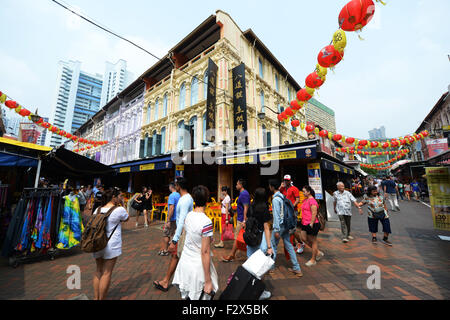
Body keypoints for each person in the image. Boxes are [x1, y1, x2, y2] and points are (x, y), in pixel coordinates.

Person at [172, 185, 218, 300]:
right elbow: (205, 252)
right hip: (198, 269)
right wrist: (208, 281)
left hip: (185, 263)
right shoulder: (206, 221)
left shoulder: (189, 216)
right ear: (207, 200)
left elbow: (191, 234)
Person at [153, 177, 193, 292]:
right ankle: (169, 281)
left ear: (178, 186)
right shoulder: (185, 198)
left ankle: (166, 281)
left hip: (183, 233)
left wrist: (175, 239)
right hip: (183, 232)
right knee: (177, 256)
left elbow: (182, 221)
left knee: (176, 256)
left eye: (176, 184)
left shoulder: (185, 199)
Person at [92, 187, 129, 300]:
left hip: (97, 243)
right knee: (107, 273)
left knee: (98, 270)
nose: (121, 198)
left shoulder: (97, 209)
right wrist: (122, 204)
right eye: (120, 196)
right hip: (111, 244)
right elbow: (127, 218)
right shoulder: (119, 210)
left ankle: (96, 298)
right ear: (114, 197)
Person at [266, 179, 302, 277]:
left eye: (270, 186)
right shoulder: (283, 196)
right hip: (286, 225)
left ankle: (271, 268)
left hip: (280, 226)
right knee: (289, 245)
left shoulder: (275, 199)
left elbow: (277, 216)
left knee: (273, 246)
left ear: (272, 187)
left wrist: (276, 229)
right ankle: (297, 268)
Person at [245, 187, 273, 300]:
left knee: (251, 265)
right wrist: (269, 246)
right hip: (260, 238)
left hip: (250, 238)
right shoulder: (264, 209)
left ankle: (249, 289)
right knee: (261, 267)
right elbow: (266, 228)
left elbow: (248, 221)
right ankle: (259, 292)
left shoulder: (251, 207)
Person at [221, 179, 250, 262]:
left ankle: (232, 255)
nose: (236, 185)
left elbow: (246, 208)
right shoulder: (243, 193)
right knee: (239, 237)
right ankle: (237, 254)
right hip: (240, 218)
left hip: (241, 220)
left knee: (237, 237)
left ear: (241, 185)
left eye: (237, 184)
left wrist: (245, 220)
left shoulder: (244, 194)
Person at [299, 185, 324, 267]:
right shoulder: (306, 200)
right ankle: (318, 252)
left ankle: (313, 259)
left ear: (309, 192)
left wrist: (311, 224)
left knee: (313, 241)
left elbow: (314, 213)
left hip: (312, 223)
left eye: (304, 191)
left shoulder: (312, 201)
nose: (303, 193)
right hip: (304, 223)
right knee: (303, 238)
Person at [279, 175, 305, 254]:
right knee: (288, 228)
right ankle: (294, 244)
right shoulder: (283, 188)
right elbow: (279, 194)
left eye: (287, 180)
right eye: (285, 180)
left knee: (293, 228)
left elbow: (297, 199)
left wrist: (292, 206)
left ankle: (301, 243)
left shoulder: (294, 188)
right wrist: (281, 186)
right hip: (285, 211)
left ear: (290, 181)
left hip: (293, 210)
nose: (286, 182)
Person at [158, 183, 180, 256]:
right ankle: (175, 250)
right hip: (177, 218)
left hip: (172, 218)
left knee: (166, 234)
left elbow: (171, 208)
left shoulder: (171, 195)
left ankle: (165, 250)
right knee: (174, 234)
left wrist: (168, 220)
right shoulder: (179, 195)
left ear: (171, 187)